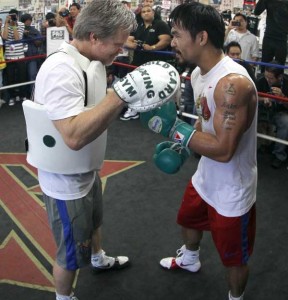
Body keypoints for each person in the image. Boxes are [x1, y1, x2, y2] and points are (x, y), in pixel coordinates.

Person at [23, 1, 180, 299]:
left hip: (86, 167)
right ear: (94, 37)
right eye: (117, 45)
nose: (120, 52)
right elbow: (72, 135)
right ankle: (63, 296)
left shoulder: (89, 62)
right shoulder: (61, 69)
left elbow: (94, 112)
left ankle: (98, 258)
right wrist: (121, 94)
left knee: (94, 221)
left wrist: (122, 98)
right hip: (65, 181)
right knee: (69, 252)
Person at [140, 3, 258, 300]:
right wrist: (183, 145)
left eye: (178, 35)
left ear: (202, 37)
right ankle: (190, 259)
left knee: (234, 258)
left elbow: (224, 149)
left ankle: (236, 297)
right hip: (205, 175)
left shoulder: (232, 84)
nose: (173, 41)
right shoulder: (197, 74)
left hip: (232, 187)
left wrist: (174, 129)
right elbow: (205, 128)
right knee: (188, 219)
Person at [121, 4, 171, 121]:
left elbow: (166, 40)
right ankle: (134, 109)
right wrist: (132, 45)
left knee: (153, 88)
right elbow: (128, 39)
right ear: (141, 14)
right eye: (143, 11)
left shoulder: (160, 24)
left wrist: (153, 47)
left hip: (154, 63)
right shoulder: (139, 26)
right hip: (138, 61)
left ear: (153, 13)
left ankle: (153, 113)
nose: (146, 13)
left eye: (149, 11)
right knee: (135, 85)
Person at [256, 61, 288, 169]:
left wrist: (282, 97)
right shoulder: (261, 80)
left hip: (280, 112)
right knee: (250, 116)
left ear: (279, 77)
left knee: (286, 122)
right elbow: (252, 96)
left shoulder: (287, 82)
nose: (268, 80)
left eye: (271, 78)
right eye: (266, 77)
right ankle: (253, 148)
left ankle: (279, 155)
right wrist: (263, 99)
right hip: (263, 110)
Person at [254, 0, 288, 72]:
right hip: (269, 37)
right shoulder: (268, 1)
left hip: (282, 39)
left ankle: (278, 82)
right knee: (264, 66)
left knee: (279, 68)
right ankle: (263, 82)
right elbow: (256, 12)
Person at [1, 9, 26, 106]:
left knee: (22, 77)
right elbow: (5, 37)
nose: (13, 18)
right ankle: (12, 97)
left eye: (14, 16)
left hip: (20, 55)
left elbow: (17, 38)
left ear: (17, 16)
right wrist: (7, 24)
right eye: (11, 16)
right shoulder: (4, 25)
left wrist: (14, 25)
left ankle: (22, 95)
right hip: (9, 56)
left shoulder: (21, 24)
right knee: (10, 79)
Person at [21, 13, 43, 98]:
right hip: (21, 56)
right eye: (26, 21)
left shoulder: (33, 30)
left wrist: (29, 35)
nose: (28, 22)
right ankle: (23, 94)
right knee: (22, 77)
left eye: (29, 20)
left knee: (32, 75)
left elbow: (39, 42)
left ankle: (32, 94)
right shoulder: (19, 31)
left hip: (32, 57)